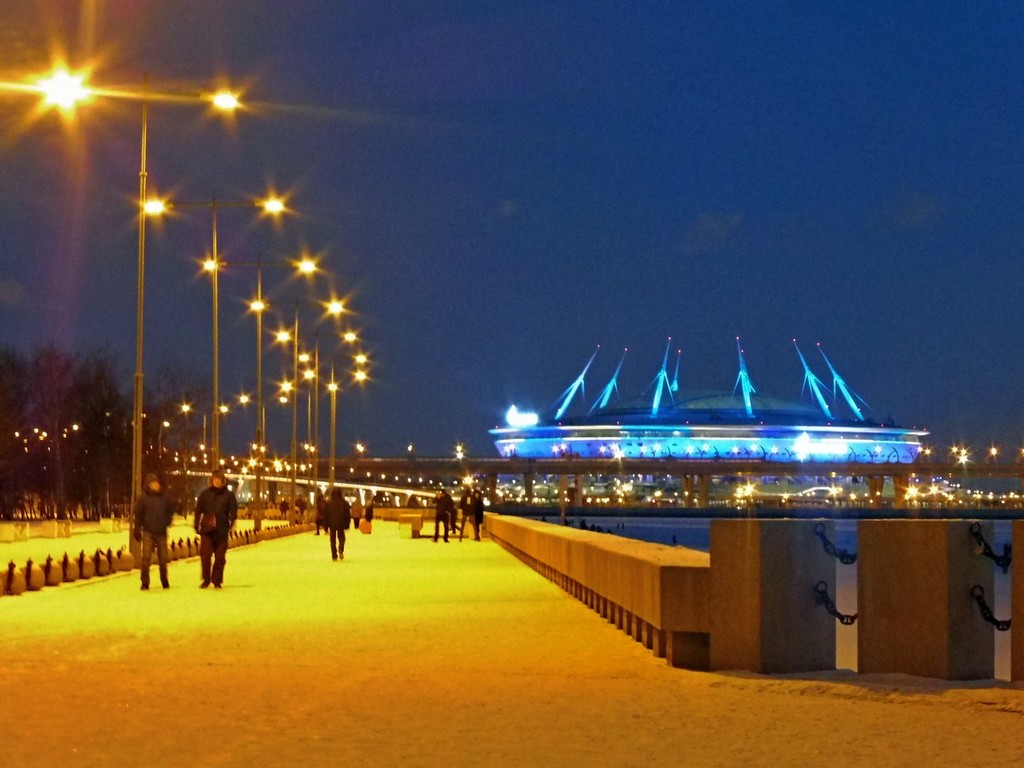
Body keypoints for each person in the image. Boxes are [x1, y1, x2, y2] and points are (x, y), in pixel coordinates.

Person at [193, 469, 238, 588]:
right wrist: (196, 524)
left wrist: (232, 522)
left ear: (223, 480)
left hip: (222, 530)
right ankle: (206, 579)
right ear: (212, 480)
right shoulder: (205, 494)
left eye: (219, 479)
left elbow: (233, 510)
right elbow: (198, 510)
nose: (217, 481)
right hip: (207, 530)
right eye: (215, 479)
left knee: (220, 557)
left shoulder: (228, 495)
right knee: (205, 556)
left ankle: (216, 580)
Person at [132, 473, 174, 590]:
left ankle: (164, 581)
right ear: (148, 485)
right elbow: (138, 515)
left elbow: (171, 509)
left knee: (163, 559)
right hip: (148, 532)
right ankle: (145, 582)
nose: (155, 485)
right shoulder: (143, 499)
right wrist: (137, 529)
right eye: (152, 483)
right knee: (146, 558)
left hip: (161, 532)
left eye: (157, 483)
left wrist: (168, 521)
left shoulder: (164, 498)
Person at [324, 488, 351, 561]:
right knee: (341, 538)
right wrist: (347, 524)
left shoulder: (328, 503)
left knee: (332, 540)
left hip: (331, 523)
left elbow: (326, 515)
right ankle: (341, 549)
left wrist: (325, 527)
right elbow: (348, 515)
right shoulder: (345, 503)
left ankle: (334, 555)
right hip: (341, 523)